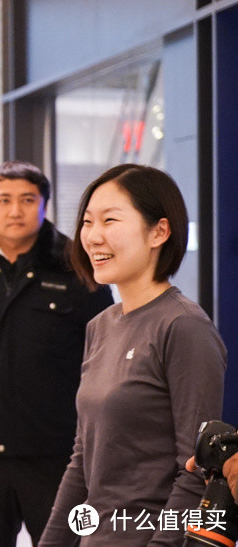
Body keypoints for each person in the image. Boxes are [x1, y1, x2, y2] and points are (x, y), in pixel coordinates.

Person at [40, 164, 227, 546]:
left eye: (110, 220)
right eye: (87, 222)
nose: (93, 236)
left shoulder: (183, 327)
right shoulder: (101, 325)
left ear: (159, 231)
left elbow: (196, 470)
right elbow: (83, 459)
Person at [0, 160, 113, 546]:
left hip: (56, 453)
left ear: (44, 204)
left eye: (28, 199)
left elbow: (103, 352)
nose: (15, 211)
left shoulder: (78, 268)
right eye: (5, 199)